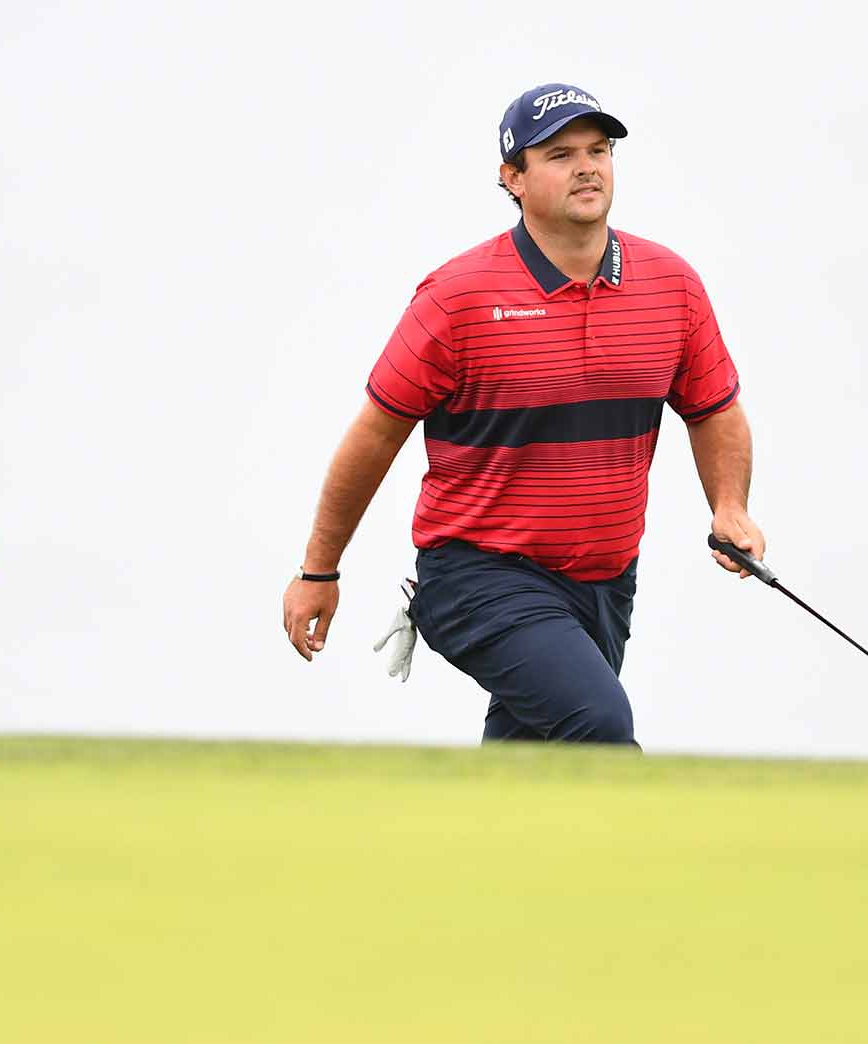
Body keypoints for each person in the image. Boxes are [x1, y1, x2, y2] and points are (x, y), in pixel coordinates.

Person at [281, 83, 763, 745]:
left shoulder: (670, 283)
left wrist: (729, 506)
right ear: (513, 178)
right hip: (479, 574)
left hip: (605, 583)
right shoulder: (458, 298)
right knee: (598, 725)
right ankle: (646, 851)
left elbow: (714, 411)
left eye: (599, 150)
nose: (588, 166)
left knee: (533, 776)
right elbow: (375, 433)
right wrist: (319, 570)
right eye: (561, 154)